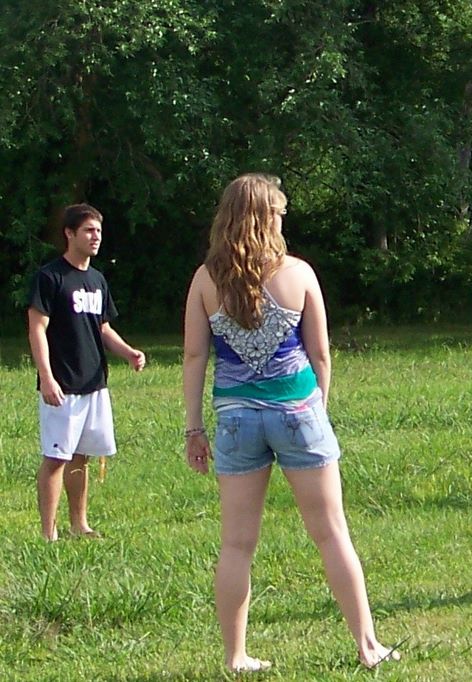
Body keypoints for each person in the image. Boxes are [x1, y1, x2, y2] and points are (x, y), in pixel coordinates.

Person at [182, 174, 398, 672]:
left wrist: (194, 429)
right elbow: (320, 354)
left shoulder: (205, 280)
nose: (283, 220)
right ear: (264, 217)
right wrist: (317, 408)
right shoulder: (298, 273)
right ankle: (367, 646)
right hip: (298, 410)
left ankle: (236, 656)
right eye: (279, 212)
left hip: (235, 419)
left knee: (236, 543)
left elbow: (195, 356)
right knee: (332, 533)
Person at [28, 203, 146, 542]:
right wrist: (47, 377)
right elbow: (37, 328)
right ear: (69, 233)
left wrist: (128, 352)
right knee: (56, 457)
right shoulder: (50, 277)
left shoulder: (97, 280)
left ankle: (79, 525)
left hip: (93, 382)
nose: (96, 237)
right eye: (88, 231)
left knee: (81, 456)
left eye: (98, 231)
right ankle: (48, 534)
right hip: (62, 384)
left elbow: (103, 328)